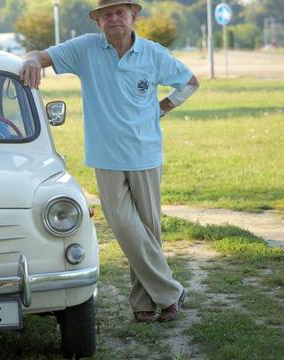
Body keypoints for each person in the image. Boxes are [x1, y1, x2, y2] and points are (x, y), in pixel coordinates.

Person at [19, 0, 199, 323]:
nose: (114, 18)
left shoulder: (153, 53)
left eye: (120, 12)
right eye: (106, 15)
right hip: (106, 156)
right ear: (98, 22)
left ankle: (144, 303)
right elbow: (42, 57)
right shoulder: (85, 49)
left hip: (146, 154)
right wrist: (31, 58)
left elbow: (190, 82)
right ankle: (172, 292)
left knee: (147, 231)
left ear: (134, 15)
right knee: (124, 226)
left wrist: (163, 106)